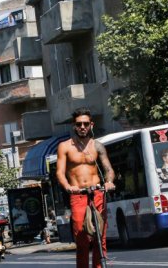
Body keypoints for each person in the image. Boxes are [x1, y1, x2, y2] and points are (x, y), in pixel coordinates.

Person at [56, 107, 115, 268]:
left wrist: (109, 182)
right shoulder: (65, 146)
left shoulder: (97, 146)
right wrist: (68, 186)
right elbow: (60, 172)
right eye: (79, 124)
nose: (82, 127)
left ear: (91, 125)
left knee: (100, 237)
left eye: (86, 124)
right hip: (78, 195)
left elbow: (108, 169)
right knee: (82, 238)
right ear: (74, 126)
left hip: (97, 193)